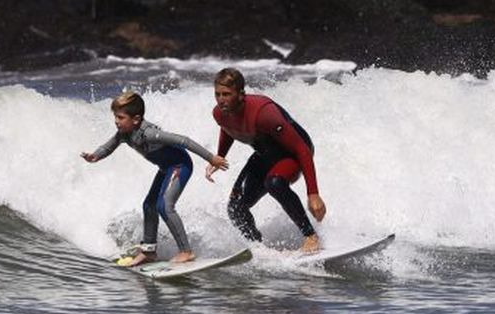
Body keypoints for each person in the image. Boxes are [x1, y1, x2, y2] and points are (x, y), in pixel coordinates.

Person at [82, 90, 229, 266]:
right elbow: (108, 146)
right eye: (115, 116)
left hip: (180, 166)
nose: (116, 121)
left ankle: (186, 252)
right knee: (149, 205)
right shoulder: (124, 133)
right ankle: (149, 252)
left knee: (164, 206)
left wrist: (211, 158)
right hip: (166, 168)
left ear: (136, 119)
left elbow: (184, 140)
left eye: (120, 117)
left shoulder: (149, 134)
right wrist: (95, 156)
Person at [206, 67, 326, 253]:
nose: (221, 99)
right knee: (236, 207)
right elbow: (228, 127)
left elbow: (301, 148)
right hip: (265, 153)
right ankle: (258, 247)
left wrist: (313, 193)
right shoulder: (219, 113)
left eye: (227, 94)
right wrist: (220, 156)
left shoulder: (264, 113)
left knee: (274, 183)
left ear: (241, 94)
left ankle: (311, 236)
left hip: (293, 152)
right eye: (218, 94)